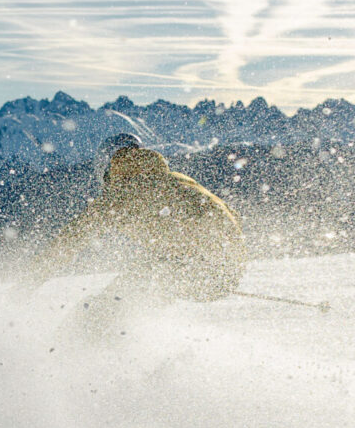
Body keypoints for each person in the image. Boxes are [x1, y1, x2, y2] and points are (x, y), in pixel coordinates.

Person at [19, 136, 245, 332]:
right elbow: (222, 217)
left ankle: (74, 358)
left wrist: (25, 285)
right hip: (223, 268)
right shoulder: (177, 179)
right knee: (135, 289)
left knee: (99, 309)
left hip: (194, 267)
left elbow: (69, 242)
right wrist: (223, 270)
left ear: (107, 167)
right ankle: (149, 351)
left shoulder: (123, 190)